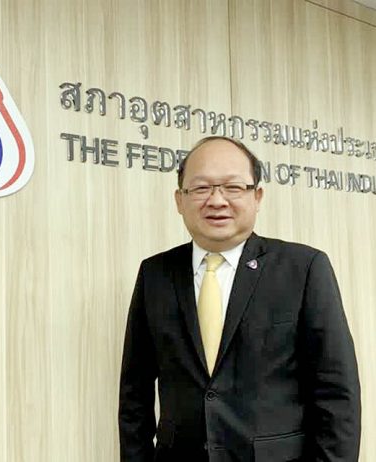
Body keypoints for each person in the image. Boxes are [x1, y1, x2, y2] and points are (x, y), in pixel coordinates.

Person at [118, 136, 361, 462]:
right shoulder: (155, 274)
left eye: (233, 187)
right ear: (179, 200)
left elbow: (336, 394)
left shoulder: (303, 269)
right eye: (201, 188)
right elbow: (134, 394)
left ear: (257, 196)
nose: (217, 200)